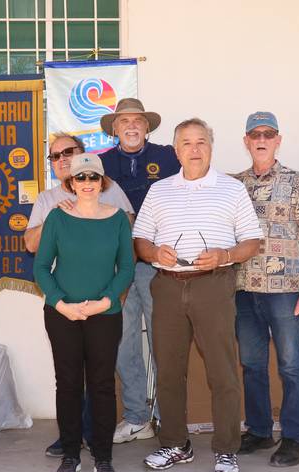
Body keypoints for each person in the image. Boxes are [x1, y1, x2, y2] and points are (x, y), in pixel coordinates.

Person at [133, 118, 263, 472]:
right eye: (187, 143)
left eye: (201, 142)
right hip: (168, 286)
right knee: (169, 369)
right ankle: (176, 444)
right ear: (176, 151)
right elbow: (140, 240)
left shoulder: (231, 189)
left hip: (213, 284)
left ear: (212, 147)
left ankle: (225, 450)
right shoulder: (159, 191)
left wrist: (225, 255)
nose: (194, 149)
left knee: (222, 370)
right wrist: (154, 252)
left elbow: (252, 240)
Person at [25, 133, 134, 458]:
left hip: (105, 311)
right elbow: (41, 265)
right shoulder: (54, 214)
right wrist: (62, 304)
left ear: (102, 182)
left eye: (93, 176)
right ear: (71, 182)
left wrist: (106, 301)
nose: (87, 182)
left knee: (101, 385)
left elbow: (126, 268)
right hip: (62, 311)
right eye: (80, 177)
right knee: (69, 384)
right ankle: (71, 451)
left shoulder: (116, 217)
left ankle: (102, 454)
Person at [233, 111, 299, 467]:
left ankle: (296, 438)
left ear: (278, 140)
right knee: (252, 364)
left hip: (287, 290)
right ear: (245, 140)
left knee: (291, 365)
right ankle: (258, 430)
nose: (261, 138)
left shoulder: (298, 182)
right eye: (255, 133)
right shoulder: (233, 184)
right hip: (243, 289)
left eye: (268, 133)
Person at [98, 98, 181, 444]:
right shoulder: (100, 164)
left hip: (157, 265)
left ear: (147, 127)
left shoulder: (167, 157)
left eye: (137, 121)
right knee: (122, 342)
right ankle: (136, 416)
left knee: (165, 341)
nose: (131, 126)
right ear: (114, 128)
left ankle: (166, 415)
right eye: (124, 121)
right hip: (115, 268)